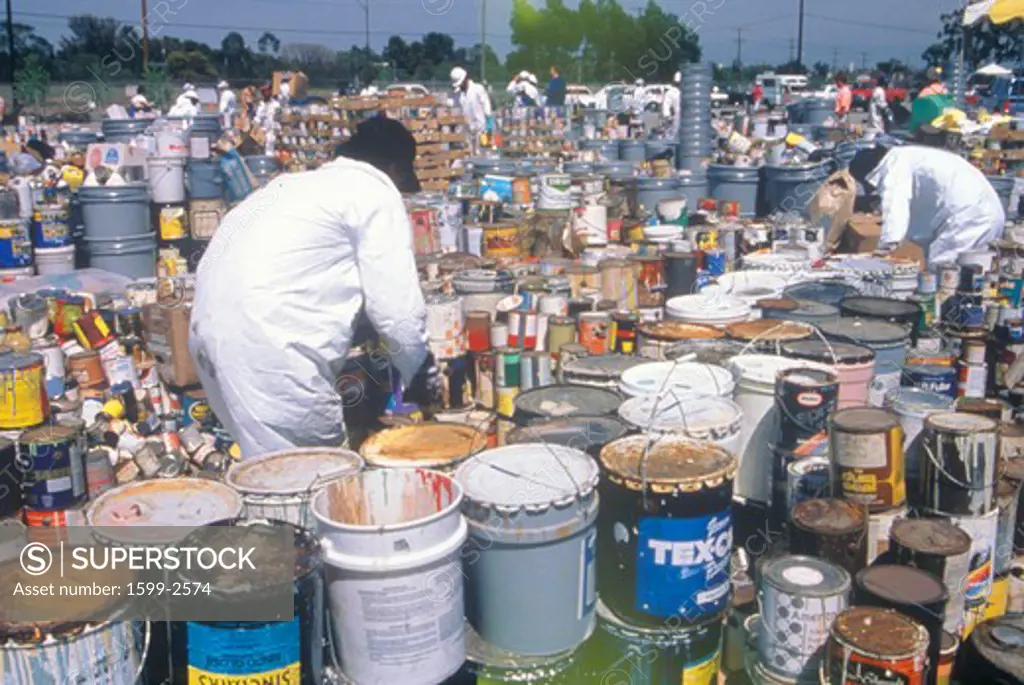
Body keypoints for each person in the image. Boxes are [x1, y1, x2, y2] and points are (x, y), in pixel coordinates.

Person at [189, 116, 439, 458]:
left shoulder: (291, 187)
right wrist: (422, 375)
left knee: (268, 475)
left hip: (210, 338)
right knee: (316, 481)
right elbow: (398, 314)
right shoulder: (375, 191)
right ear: (393, 168)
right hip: (272, 348)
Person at [848, 145, 1005, 269]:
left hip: (967, 217)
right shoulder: (909, 156)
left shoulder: (893, 165)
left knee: (943, 275)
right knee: (975, 273)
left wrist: (885, 248)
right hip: (987, 211)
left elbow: (894, 206)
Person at [450, 66, 492, 139]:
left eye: (461, 83)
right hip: (467, 131)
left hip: (481, 130)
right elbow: (452, 105)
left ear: (465, 79)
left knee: (484, 149)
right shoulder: (458, 94)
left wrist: (489, 125)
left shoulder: (478, 89)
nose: (460, 86)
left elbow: (486, 105)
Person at [253, 86, 281, 155]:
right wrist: (256, 129)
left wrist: (276, 131)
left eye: (265, 93)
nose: (264, 95)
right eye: (263, 93)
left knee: (269, 150)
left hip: (272, 130)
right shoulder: (260, 105)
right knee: (260, 150)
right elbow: (257, 118)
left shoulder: (276, 104)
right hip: (262, 131)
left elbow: (278, 118)